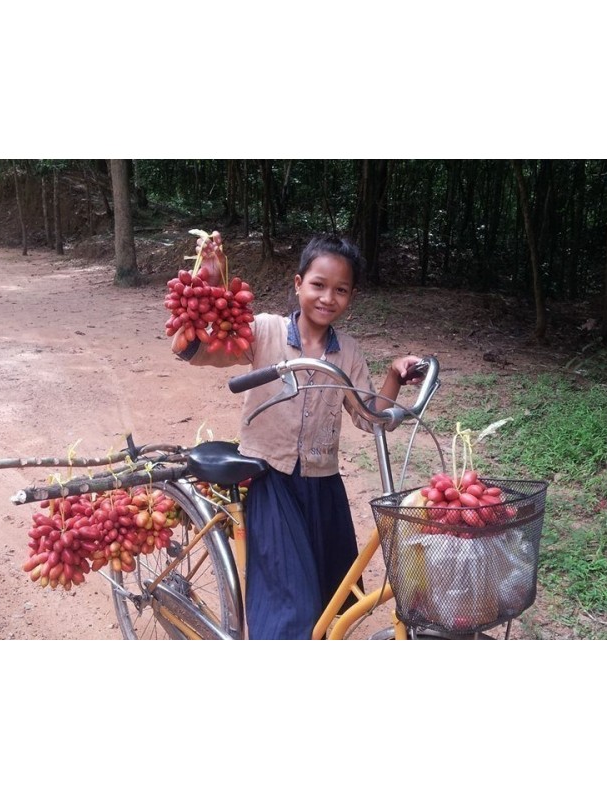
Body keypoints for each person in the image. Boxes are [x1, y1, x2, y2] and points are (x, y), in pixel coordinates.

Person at [172, 230, 422, 639]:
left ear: (351, 296)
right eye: (318, 285)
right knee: (292, 604)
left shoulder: (348, 352)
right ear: (298, 284)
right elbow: (206, 350)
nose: (327, 298)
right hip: (271, 478)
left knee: (334, 593)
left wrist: (394, 374)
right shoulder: (265, 330)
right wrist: (210, 285)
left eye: (340, 290)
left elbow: (369, 416)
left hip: (323, 485)